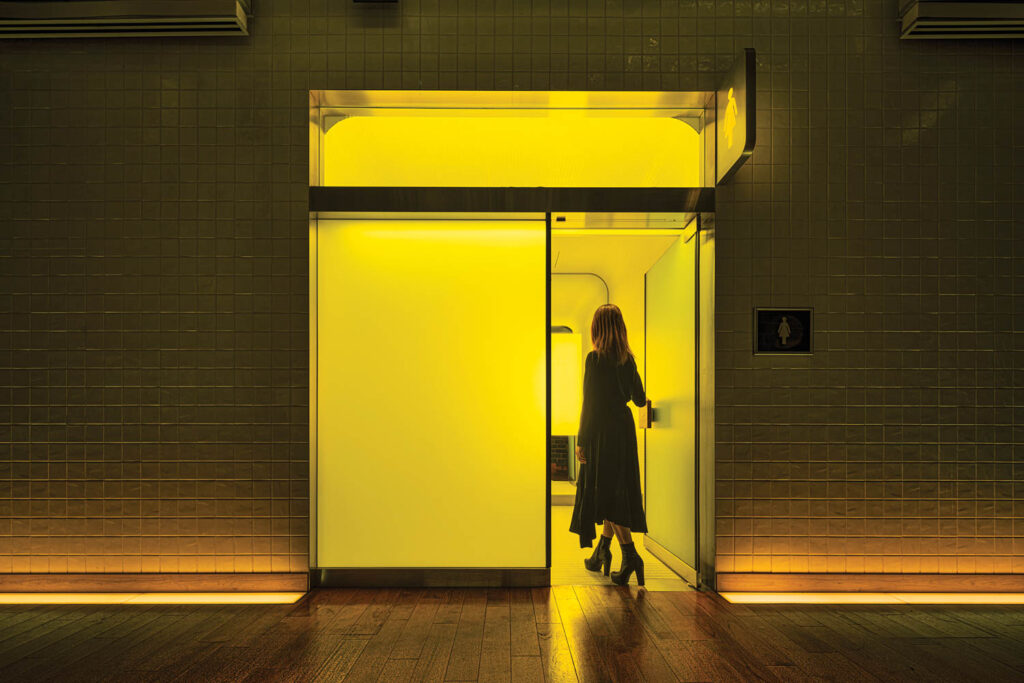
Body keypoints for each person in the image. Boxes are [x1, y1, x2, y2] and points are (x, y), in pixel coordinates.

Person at [569, 303, 648, 587]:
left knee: (607, 493)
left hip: (601, 432)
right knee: (615, 490)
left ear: (596, 329)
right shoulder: (628, 361)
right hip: (623, 431)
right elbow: (639, 399)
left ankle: (629, 556)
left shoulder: (594, 360)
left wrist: (582, 440)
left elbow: (589, 404)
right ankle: (601, 552)